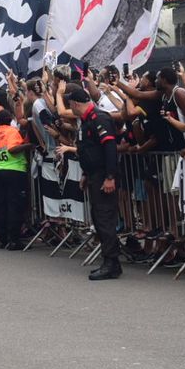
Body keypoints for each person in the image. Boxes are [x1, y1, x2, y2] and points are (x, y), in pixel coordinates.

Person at [69, 87, 122, 280]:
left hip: (103, 176)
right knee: (98, 219)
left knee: (105, 219)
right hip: (93, 174)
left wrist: (110, 176)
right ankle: (109, 260)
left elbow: (109, 148)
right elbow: (88, 150)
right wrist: (85, 172)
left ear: (75, 104)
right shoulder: (86, 121)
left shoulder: (99, 118)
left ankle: (112, 263)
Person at [0, 108, 31, 250]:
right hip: (14, 170)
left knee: (1, 205)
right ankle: (14, 240)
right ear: (10, 119)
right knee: (15, 205)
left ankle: (2, 239)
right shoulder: (12, 131)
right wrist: (28, 146)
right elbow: (13, 149)